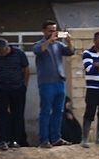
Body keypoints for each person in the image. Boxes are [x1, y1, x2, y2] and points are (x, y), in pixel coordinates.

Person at [32, 20, 75, 148]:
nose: (53, 33)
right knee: (45, 111)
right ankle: (44, 139)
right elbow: (39, 50)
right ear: (44, 31)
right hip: (46, 83)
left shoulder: (58, 45)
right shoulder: (39, 44)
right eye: (50, 30)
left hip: (59, 82)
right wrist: (49, 40)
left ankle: (56, 137)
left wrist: (69, 41)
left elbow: (71, 52)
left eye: (54, 30)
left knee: (59, 111)